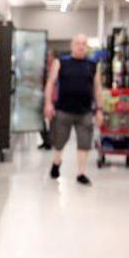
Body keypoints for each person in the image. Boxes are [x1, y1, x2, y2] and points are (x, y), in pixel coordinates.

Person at [43, 34, 104, 185]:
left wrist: (100, 109)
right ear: (72, 46)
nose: (81, 46)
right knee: (59, 141)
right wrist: (48, 103)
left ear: (87, 46)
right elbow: (50, 83)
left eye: (84, 43)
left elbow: (97, 88)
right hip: (63, 110)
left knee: (84, 143)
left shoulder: (93, 65)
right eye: (77, 43)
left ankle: (81, 173)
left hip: (85, 111)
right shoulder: (61, 62)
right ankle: (56, 163)